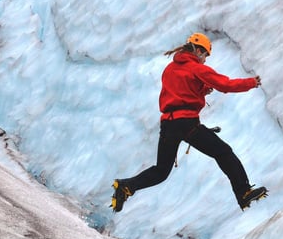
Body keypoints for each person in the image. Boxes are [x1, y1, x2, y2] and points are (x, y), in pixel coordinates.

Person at [111, 33, 267, 212]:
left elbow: (179, 92)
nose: (205, 60)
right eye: (205, 55)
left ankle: (126, 186)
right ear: (198, 50)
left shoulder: (169, 69)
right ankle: (244, 193)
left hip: (168, 125)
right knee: (223, 152)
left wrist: (200, 91)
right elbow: (225, 84)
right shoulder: (196, 68)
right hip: (187, 124)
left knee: (161, 171)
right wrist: (251, 82)